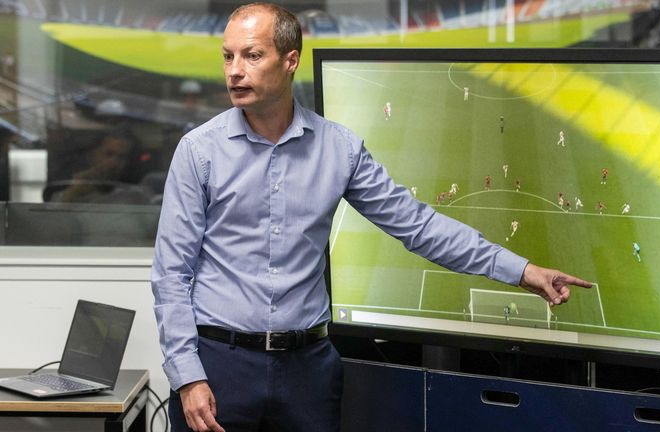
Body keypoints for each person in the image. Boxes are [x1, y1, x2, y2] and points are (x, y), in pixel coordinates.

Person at [151, 4, 593, 432]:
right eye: (228, 56)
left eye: (252, 55)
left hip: (308, 370)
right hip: (218, 366)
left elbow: (419, 226)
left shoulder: (339, 149)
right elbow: (172, 274)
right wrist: (188, 376)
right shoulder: (199, 151)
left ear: (290, 61)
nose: (234, 70)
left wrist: (523, 271)